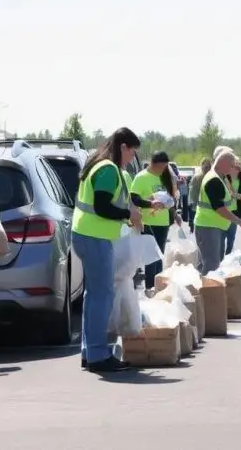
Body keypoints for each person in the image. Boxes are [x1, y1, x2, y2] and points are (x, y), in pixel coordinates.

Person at [71, 127, 143, 372]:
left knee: (94, 296)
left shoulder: (99, 164)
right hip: (95, 238)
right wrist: (128, 214)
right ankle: (98, 355)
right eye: (132, 152)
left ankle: (89, 351)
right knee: (102, 297)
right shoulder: (109, 170)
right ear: (123, 147)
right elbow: (102, 207)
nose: (132, 158)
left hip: (87, 235)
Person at [194, 151, 241, 273]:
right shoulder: (213, 180)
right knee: (211, 265)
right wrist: (239, 221)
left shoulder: (220, 178)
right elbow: (219, 208)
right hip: (208, 227)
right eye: (231, 166)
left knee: (213, 264)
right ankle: (209, 291)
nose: (232, 169)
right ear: (223, 163)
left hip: (213, 226)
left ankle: (209, 290)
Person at [131, 151, 177, 291]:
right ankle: (150, 288)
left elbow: (169, 199)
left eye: (165, 167)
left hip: (163, 223)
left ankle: (157, 288)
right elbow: (134, 199)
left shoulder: (164, 177)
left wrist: (174, 214)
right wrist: (150, 203)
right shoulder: (141, 177)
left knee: (159, 257)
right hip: (148, 222)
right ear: (154, 164)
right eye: (162, 167)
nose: (163, 170)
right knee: (151, 257)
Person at [224, 158, 241, 254]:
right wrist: (235, 195)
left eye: (238, 168)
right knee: (221, 237)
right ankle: (220, 259)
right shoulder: (224, 179)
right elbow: (229, 193)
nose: (236, 169)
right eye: (234, 167)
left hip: (234, 213)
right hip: (223, 211)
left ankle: (228, 256)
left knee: (231, 238)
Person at [188, 158, 212, 234]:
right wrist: (193, 204)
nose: (207, 169)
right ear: (202, 166)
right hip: (197, 207)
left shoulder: (212, 177)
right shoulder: (196, 177)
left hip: (210, 209)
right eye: (206, 167)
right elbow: (192, 193)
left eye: (209, 167)